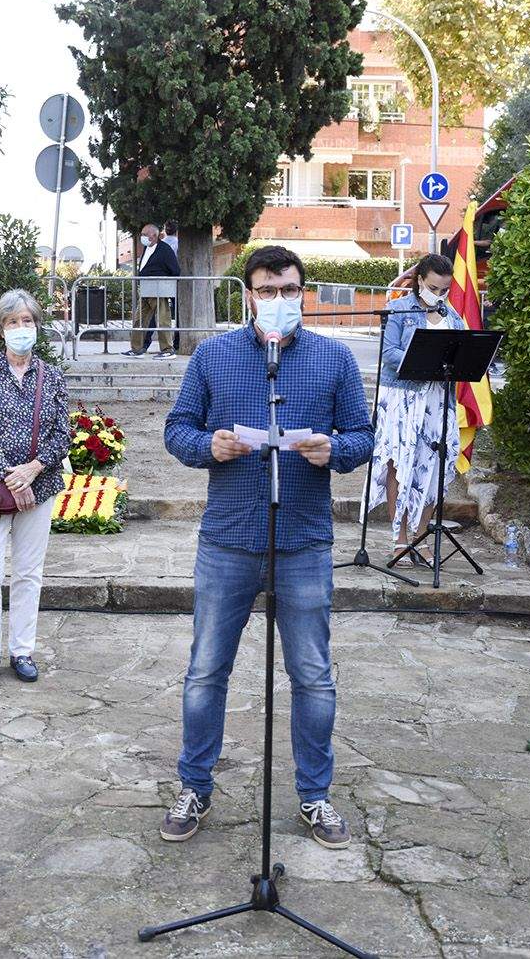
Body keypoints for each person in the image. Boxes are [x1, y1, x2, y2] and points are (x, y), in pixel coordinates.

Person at [161, 244, 373, 850]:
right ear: (248, 295)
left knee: (312, 675)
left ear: (302, 293)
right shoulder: (213, 356)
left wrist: (336, 450)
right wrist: (210, 447)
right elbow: (178, 429)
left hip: (303, 539)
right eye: (266, 290)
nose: (278, 301)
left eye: (288, 290)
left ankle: (315, 796)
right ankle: (195, 785)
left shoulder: (333, 359)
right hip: (229, 538)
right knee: (206, 670)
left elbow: (362, 434)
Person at [0, 289, 72, 683]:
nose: (21, 329)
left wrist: (34, 470)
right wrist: (13, 475)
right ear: (0, 329)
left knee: (28, 572)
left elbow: (63, 432)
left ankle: (22, 651)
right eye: (13, 322)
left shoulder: (52, 376)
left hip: (38, 489)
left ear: (37, 327)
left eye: (27, 321)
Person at [368, 254, 467, 565]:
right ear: (419, 281)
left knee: (433, 468)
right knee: (400, 465)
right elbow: (390, 352)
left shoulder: (452, 317)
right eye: (433, 287)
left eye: (444, 290)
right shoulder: (399, 309)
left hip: (439, 400)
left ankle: (421, 535)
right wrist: (423, 361)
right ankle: (400, 538)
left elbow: (464, 352)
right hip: (403, 398)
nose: (438, 295)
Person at [125, 222, 180, 359]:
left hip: (159, 289)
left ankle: (167, 349)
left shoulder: (165, 249)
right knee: (139, 320)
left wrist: (165, 281)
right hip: (146, 289)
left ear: (154, 235)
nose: (142, 237)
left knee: (163, 319)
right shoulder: (147, 248)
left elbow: (175, 271)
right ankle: (137, 348)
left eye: (144, 234)